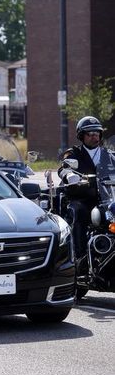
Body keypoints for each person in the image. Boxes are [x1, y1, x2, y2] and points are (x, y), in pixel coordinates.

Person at [57, 116, 110, 272]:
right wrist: (68, 174)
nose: (94, 136)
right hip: (82, 198)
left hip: (105, 199)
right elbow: (64, 167)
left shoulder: (109, 154)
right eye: (89, 133)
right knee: (78, 212)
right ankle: (80, 259)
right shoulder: (74, 153)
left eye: (96, 133)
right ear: (82, 136)